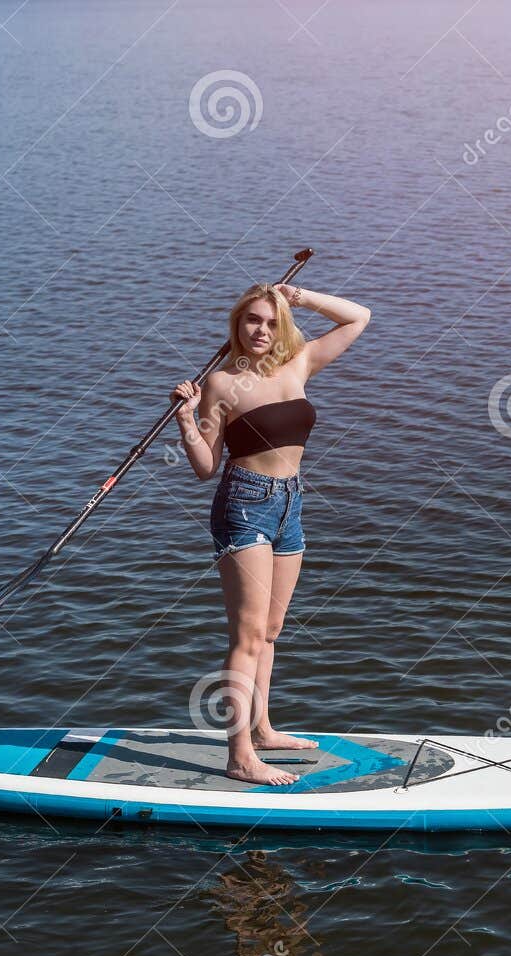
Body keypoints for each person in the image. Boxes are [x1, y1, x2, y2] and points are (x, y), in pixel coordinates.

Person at [170, 280, 370, 785]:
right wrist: (188, 422)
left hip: (291, 503)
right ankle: (239, 756)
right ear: (236, 326)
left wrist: (300, 297)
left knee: (273, 632)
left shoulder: (299, 362)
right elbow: (205, 466)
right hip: (244, 504)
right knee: (247, 634)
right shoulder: (220, 383)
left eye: (269, 321)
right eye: (251, 320)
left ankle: (262, 729)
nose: (260, 330)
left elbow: (358, 317)